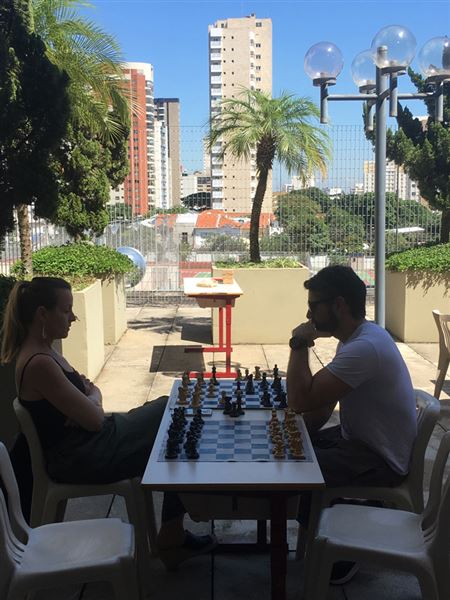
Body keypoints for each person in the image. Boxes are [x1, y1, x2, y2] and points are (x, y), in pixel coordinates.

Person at [0, 276, 216, 570]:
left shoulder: (46, 352)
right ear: (42, 314)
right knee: (172, 419)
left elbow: (88, 408)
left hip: (91, 443)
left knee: (171, 414)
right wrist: (94, 398)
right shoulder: (39, 363)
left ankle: (173, 533)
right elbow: (94, 419)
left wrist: (89, 401)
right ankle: (173, 535)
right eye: (66, 310)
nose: (73, 318)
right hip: (83, 456)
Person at [287, 265, 417, 584]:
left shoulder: (364, 348)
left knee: (297, 470)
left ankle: (342, 552)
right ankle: (335, 524)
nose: (308, 314)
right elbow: (320, 405)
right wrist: (298, 436)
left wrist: (299, 343)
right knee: (295, 454)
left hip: (380, 459)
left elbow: (301, 400)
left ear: (338, 305)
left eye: (314, 305)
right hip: (359, 442)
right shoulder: (356, 339)